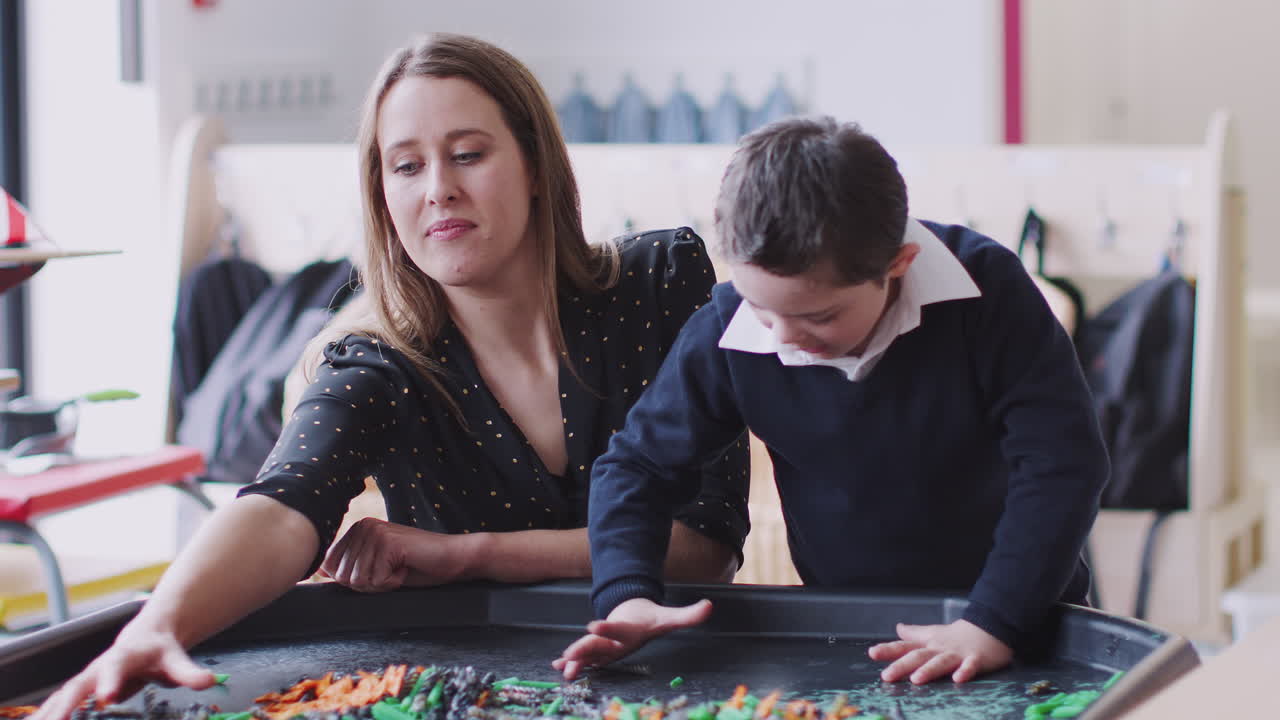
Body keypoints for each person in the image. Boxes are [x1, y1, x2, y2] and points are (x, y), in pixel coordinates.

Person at [33, 33, 748, 720]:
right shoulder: (376, 364)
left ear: (536, 166)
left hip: (683, 679)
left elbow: (704, 548)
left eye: (467, 155)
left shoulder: (661, 282)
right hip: (471, 697)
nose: (439, 189)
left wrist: (465, 556)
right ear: (381, 194)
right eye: (406, 166)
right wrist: (158, 625)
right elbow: (281, 506)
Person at [554, 117, 1108, 686]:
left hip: (1018, 621)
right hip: (851, 629)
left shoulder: (986, 291)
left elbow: (1062, 464)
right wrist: (627, 596)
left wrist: (993, 622)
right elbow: (637, 468)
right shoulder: (727, 327)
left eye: (818, 316)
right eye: (762, 309)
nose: (782, 337)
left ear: (898, 263)